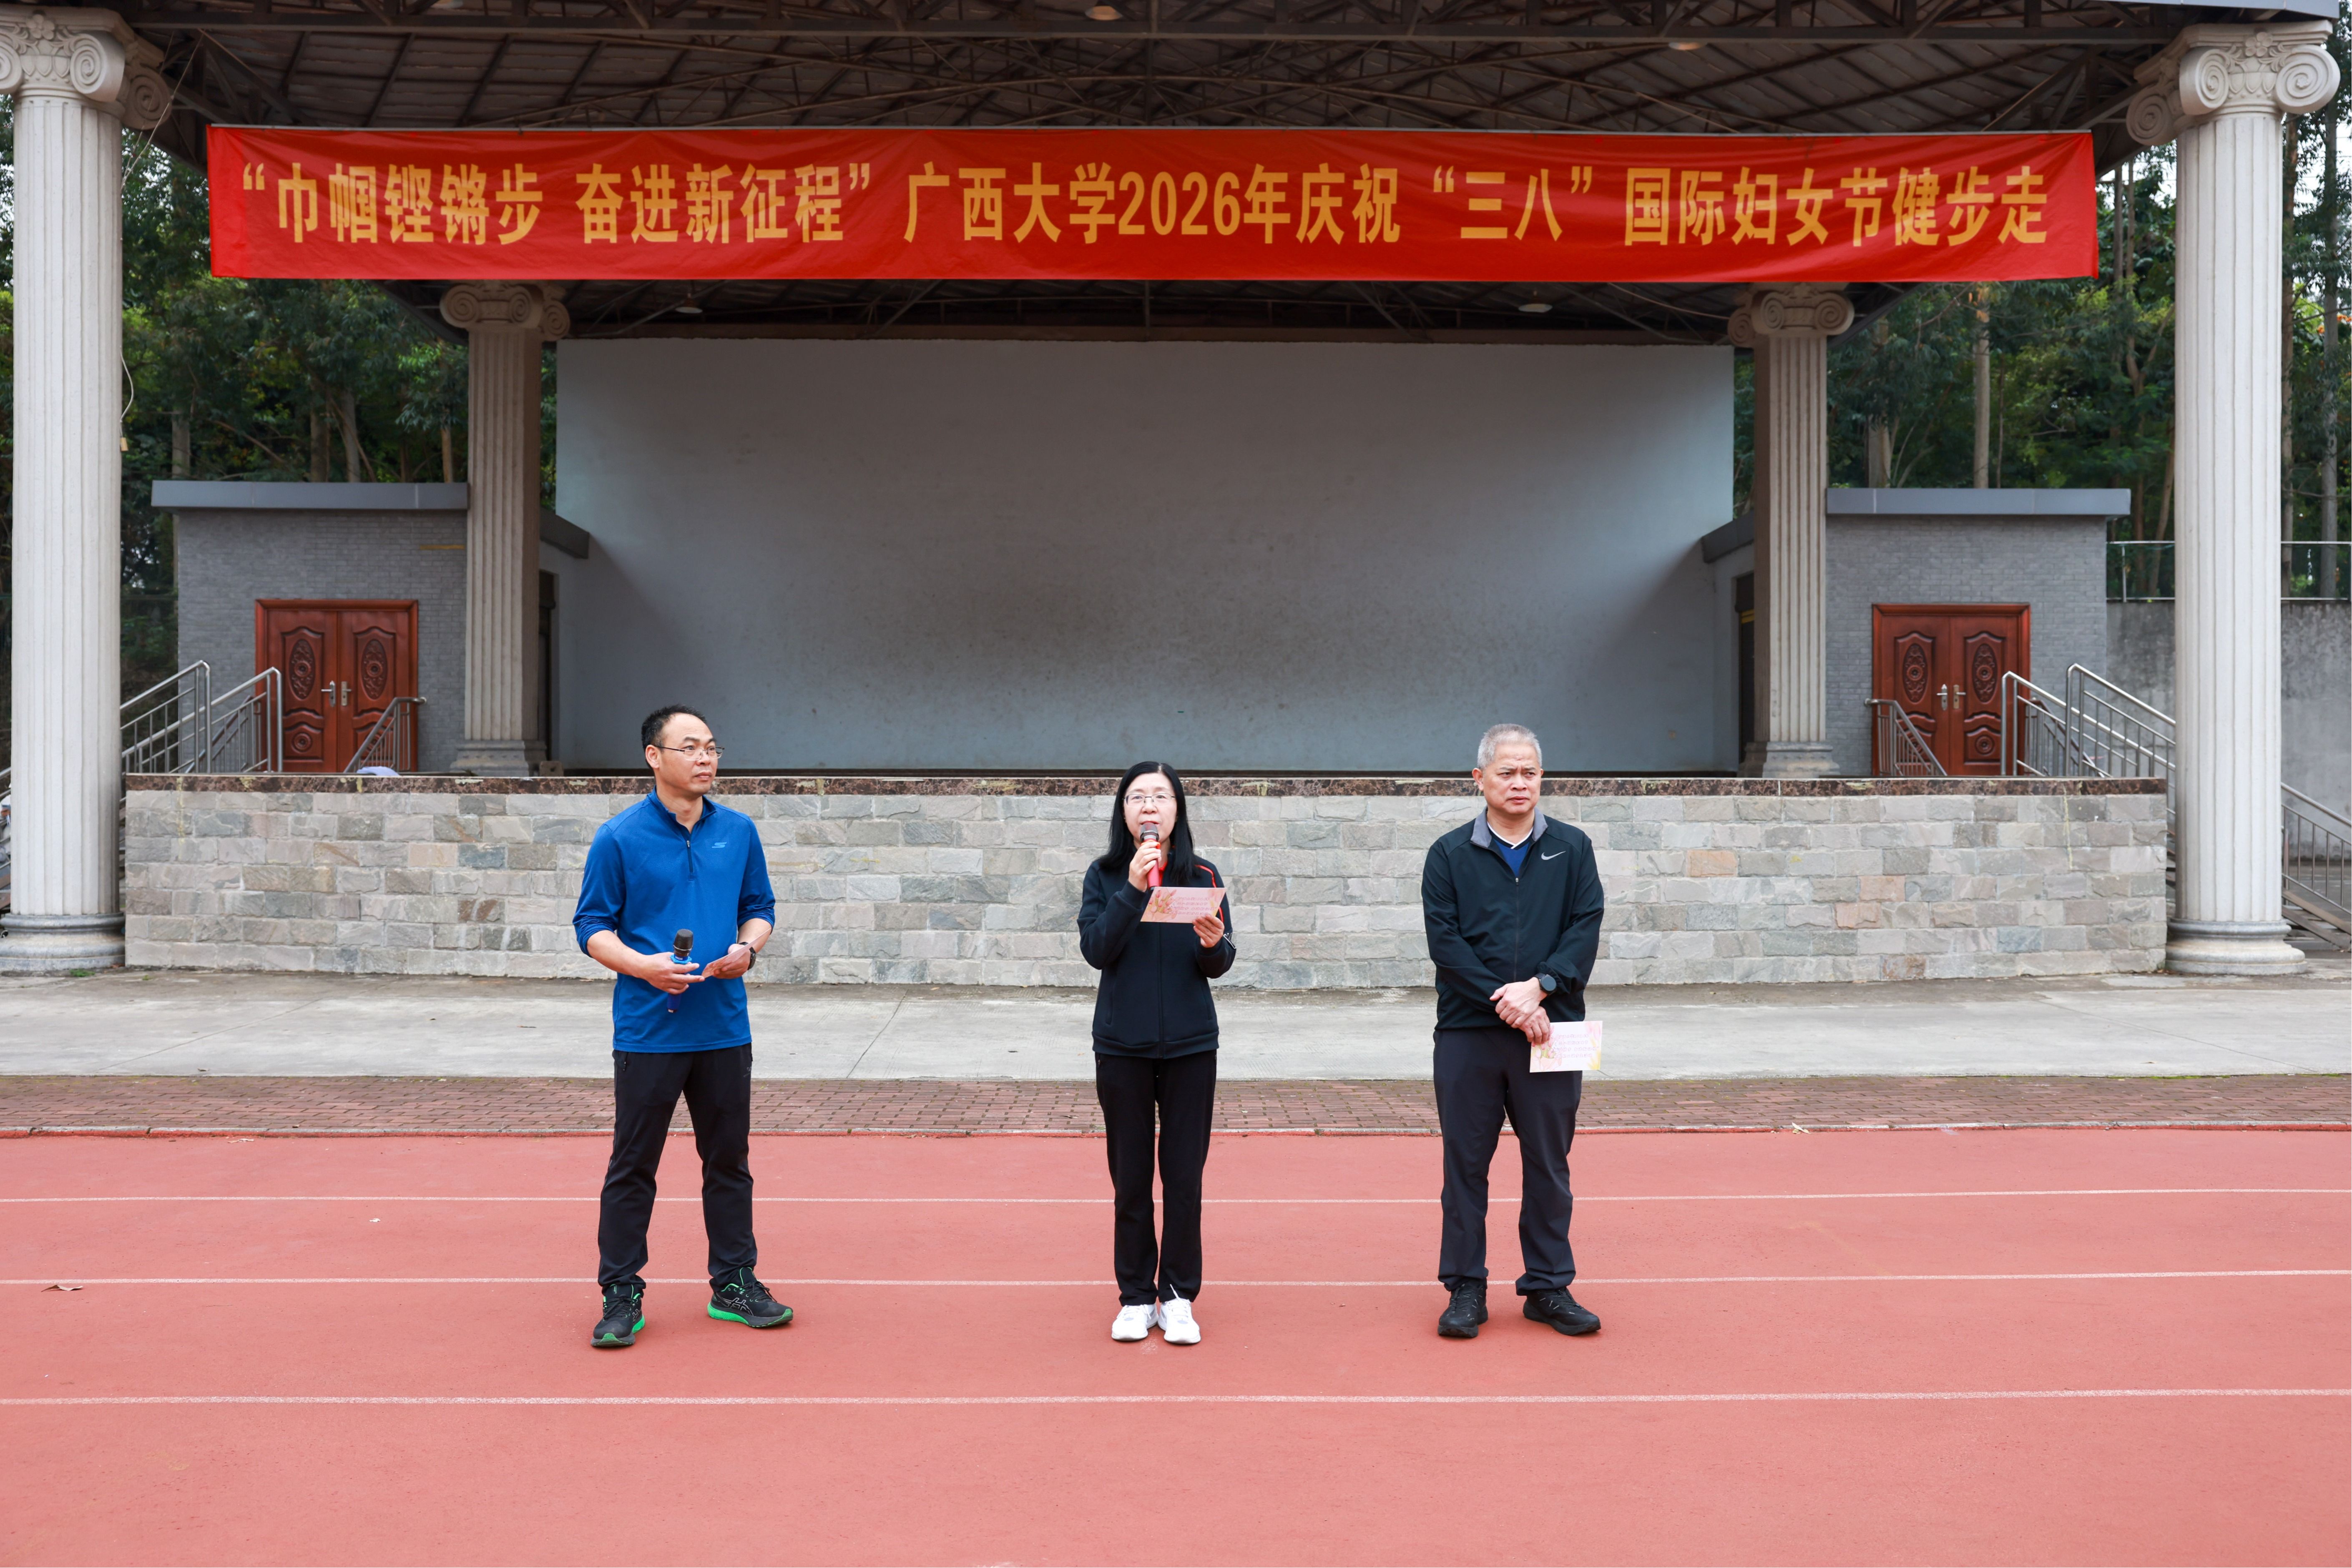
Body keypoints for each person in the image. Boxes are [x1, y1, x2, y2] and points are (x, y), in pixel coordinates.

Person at [573, 704, 791, 1349]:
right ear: (654, 756)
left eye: (712, 747)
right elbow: (592, 926)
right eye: (690, 747)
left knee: (729, 1161)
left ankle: (734, 1281)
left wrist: (747, 949)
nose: (705, 758)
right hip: (649, 1030)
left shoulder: (738, 832)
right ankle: (621, 1292)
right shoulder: (618, 837)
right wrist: (645, 966)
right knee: (633, 1165)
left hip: (723, 1025)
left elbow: (760, 908)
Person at [1420, 723, 1606, 1341]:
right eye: (1507, 772)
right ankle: (1465, 1288)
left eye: (1530, 772)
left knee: (1550, 1163)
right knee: (1465, 1165)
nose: (1520, 782)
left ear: (1541, 777)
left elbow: (1585, 926)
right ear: (1480, 779)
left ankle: (1548, 1286)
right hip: (1469, 1031)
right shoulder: (1448, 854)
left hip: (1555, 1028)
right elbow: (1447, 945)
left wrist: (1542, 986)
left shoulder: (1574, 848)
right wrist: (1512, 1002)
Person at [1077, 762, 1236, 1346]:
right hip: (1122, 1046)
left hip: (1192, 1046)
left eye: (1161, 796)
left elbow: (1219, 960)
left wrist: (1214, 946)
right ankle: (1136, 1297)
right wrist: (1133, 889)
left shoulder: (1202, 874)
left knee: (1184, 1177)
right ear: (1124, 811)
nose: (1149, 806)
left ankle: (1178, 1296)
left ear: (1177, 809)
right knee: (1131, 1177)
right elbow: (1097, 949)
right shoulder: (1105, 876)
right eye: (1138, 797)